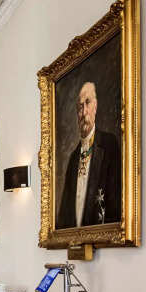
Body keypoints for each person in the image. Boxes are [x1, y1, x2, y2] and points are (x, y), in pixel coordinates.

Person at [56, 81, 122, 229]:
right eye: (80, 107)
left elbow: (116, 206)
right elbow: (64, 215)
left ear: (95, 106)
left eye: (87, 103)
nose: (84, 111)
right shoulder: (73, 159)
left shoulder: (109, 145)